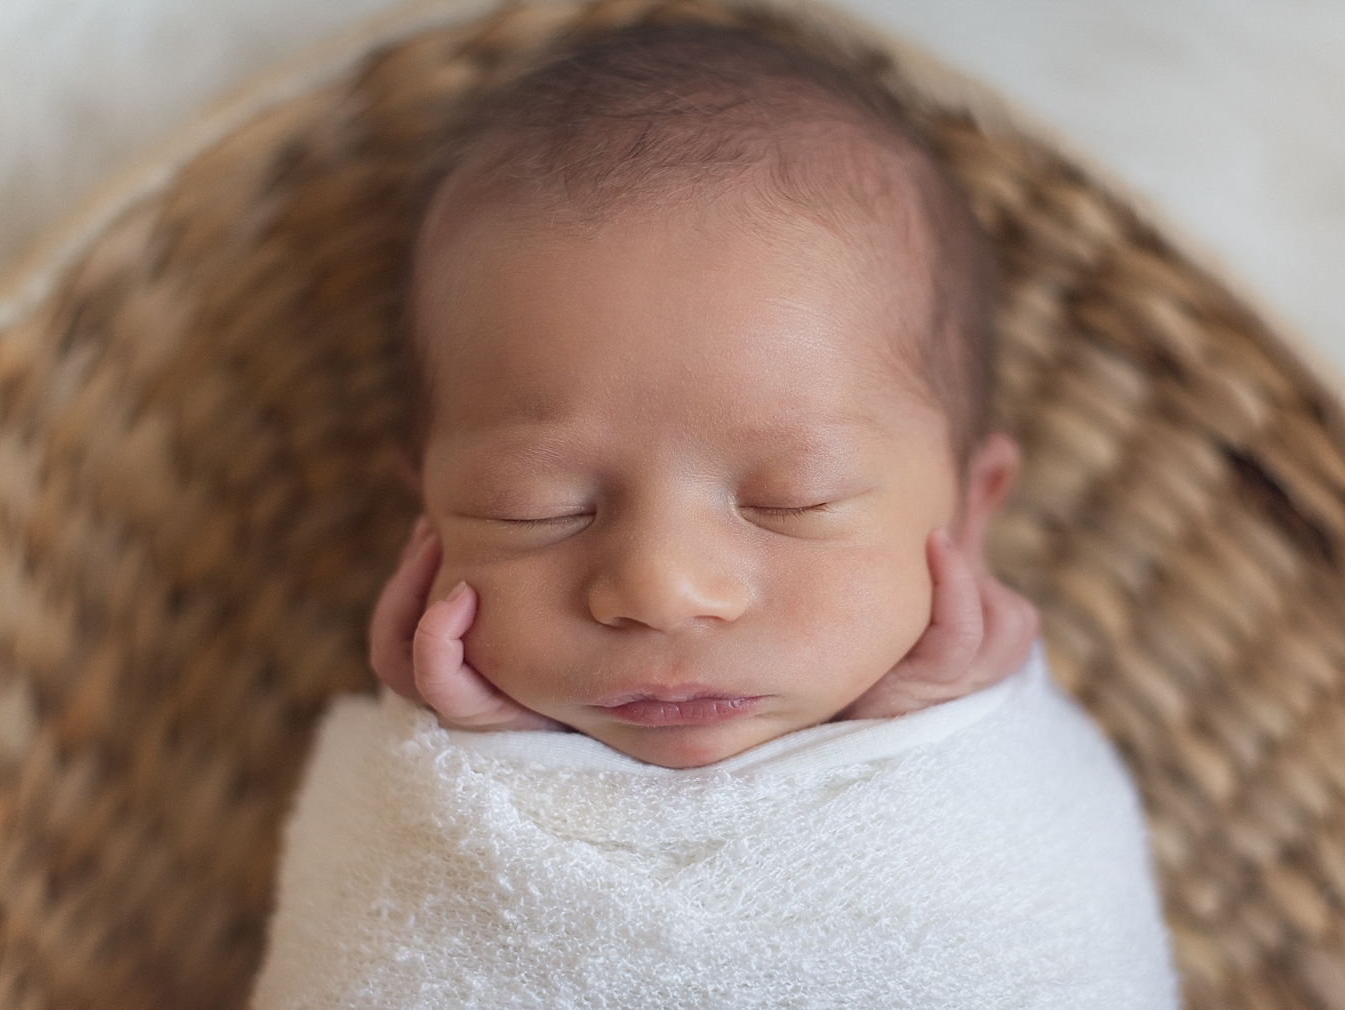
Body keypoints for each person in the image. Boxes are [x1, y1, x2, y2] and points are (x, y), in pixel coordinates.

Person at [251, 20, 1179, 1007]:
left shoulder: (997, 791)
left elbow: (1049, 946)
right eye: (535, 507)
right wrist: (478, 765)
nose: (660, 587)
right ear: (428, 521)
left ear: (969, 512)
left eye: (794, 498)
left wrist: (922, 735)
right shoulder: (429, 789)